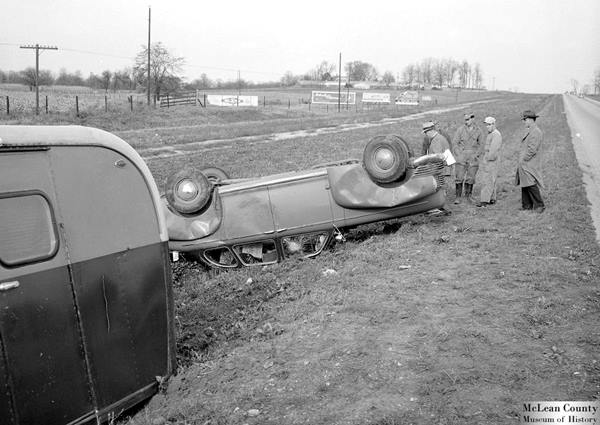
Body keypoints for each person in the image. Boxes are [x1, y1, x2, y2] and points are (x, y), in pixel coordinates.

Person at [515, 110, 545, 212]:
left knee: (531, 184)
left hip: (529, 162)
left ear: (531, 120)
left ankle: (539, 205)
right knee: (525, 184)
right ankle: (527, 205)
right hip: (526, 162)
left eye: (525, 119)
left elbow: (532, 149)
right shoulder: (530, 130)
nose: (524, 121)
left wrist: (524, 159)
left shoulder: (536, 132)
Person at [452, 113, 483, 204]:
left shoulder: (478, 130)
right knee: (459, 177)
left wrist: (476, 155)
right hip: (462, 155)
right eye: (465, 120)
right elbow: (454, 143)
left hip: (473, 156)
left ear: (473, 119)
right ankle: (458, 197)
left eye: (468, 119)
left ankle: (468, 195)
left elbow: (481, 145)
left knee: (471, 176)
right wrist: (458, 154)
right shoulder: (460, 130)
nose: (466, 122)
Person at [423, 121, 452, 215]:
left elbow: (437, 157)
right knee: (440, 188)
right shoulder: (439, 137)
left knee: (438, 188)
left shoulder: (436, 140)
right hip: (442, 168)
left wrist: (428, 165)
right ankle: (442, 208)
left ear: (430, 131)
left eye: (426, 133)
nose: (426, 135)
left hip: (439, 169)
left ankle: (440, 209)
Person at [476, 116, 503, 207]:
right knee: (492, 180)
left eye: (489, 124)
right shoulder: (491, 133)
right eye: (486, 125)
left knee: (487, 180)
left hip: (491, 160)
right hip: (490, 160)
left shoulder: (496, 134)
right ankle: (492, 199)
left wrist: (487, 159)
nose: (487, 126)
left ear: (494, 124)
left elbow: (493, 150)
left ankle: (484, 201)